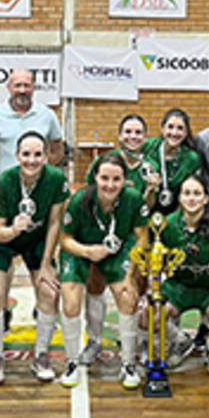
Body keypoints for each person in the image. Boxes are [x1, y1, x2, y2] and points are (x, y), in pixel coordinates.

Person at [0, 131, 69, 384]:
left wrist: (45, 265)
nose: (32, 160)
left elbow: (55, 223)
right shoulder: (3, 181)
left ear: (46, 156)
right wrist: (14, 229)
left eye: (37, 154)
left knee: (49, 292)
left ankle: (41, 355)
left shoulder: (55, 178)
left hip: (37, 239)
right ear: (17, 155)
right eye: (26, 154)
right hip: (4, 241)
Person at [59, 153, 150, 389]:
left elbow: (142, 238)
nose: (110, 185)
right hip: (81, 249)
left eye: (116, 179)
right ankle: (75, 359)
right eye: (104, 178)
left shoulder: (133, 198)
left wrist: (131, 274)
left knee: (128, 297)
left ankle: (128, 363)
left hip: (118, 251)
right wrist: (88, 252)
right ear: (95, 178)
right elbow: (65, 239)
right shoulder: (80, 200)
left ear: (125, 180)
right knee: (70, 300)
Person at [80, 114, 151, 367]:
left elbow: (145, 207)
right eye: (128, 132)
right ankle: (95, 341)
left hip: (136, 233)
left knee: (134, 288)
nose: (133, 137)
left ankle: (138, 341)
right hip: (102, 234)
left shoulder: (151, 165)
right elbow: (92, 197)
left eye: (138, 132)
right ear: (120, 135)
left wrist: (152, 190)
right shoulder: (104, 162)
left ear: (145, 136)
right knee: (94, 283)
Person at [158, 175, 209, 377]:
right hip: (178, 287)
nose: (192, 198)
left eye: (197, 193)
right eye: (187, 193)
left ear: (206, 199)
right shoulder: (168, 224)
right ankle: (180, 341)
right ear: (179, 198)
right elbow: (157, 260)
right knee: (147, 314)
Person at [0, 69, 62, 175]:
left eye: (27, 85)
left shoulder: (48, 115)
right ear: (9, 88)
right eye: (17, 85)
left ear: (34, 88)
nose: (22, 90)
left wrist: (45, 169)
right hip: (4, 184)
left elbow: (57, 149)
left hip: (38, 184)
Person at [141, 109, 202, 216]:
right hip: (145, 209)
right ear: (162, 128)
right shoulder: (149, 147)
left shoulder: (192, 159)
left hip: (177, 213)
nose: (174, 133)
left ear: (186, 133)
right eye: (170, 127)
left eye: (180, 128)